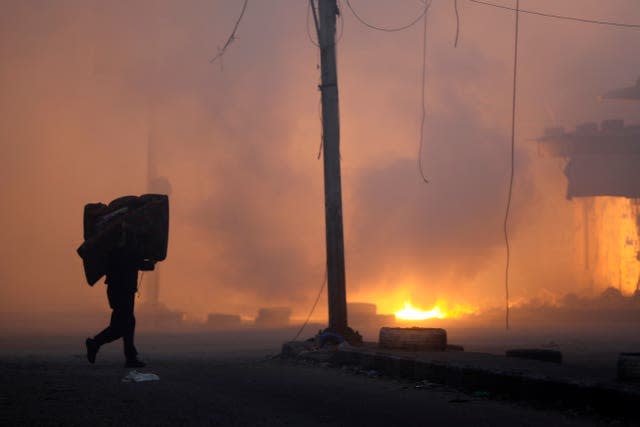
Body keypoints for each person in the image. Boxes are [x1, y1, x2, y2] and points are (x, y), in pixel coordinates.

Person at [85, 225, 154, 367]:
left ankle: (129, 356)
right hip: (124, 290)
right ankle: (96, 343)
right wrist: (151, 262)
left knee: (126, 323)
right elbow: (138, 263)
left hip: (117, 289)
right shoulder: (126, 246)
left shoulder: (114, 245)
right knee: (123, 324)